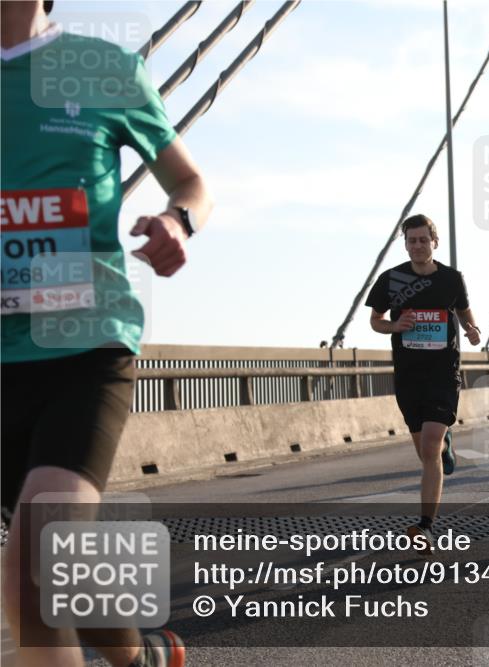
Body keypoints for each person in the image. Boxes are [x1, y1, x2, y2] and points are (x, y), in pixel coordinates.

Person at [2, 2, 212, 665]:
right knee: (65, 571)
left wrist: (179, 219)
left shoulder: (102, 69)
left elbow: (191, 179)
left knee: (34, 565)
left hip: (88, 346)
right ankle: (144, 657)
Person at [366, 214, 480, 555]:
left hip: (443, 373)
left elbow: (465, 314)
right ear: (406, 244)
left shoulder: (451, 279)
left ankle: (425, 527)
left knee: (429, 446)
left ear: (434, 242)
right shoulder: (391, 279)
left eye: (423, 240)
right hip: (408, 375)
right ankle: (445, 447)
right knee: (426, 452)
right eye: (412, 240)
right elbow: (375, 321)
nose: (418, 246)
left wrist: (473, 330)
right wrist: (395, 325)